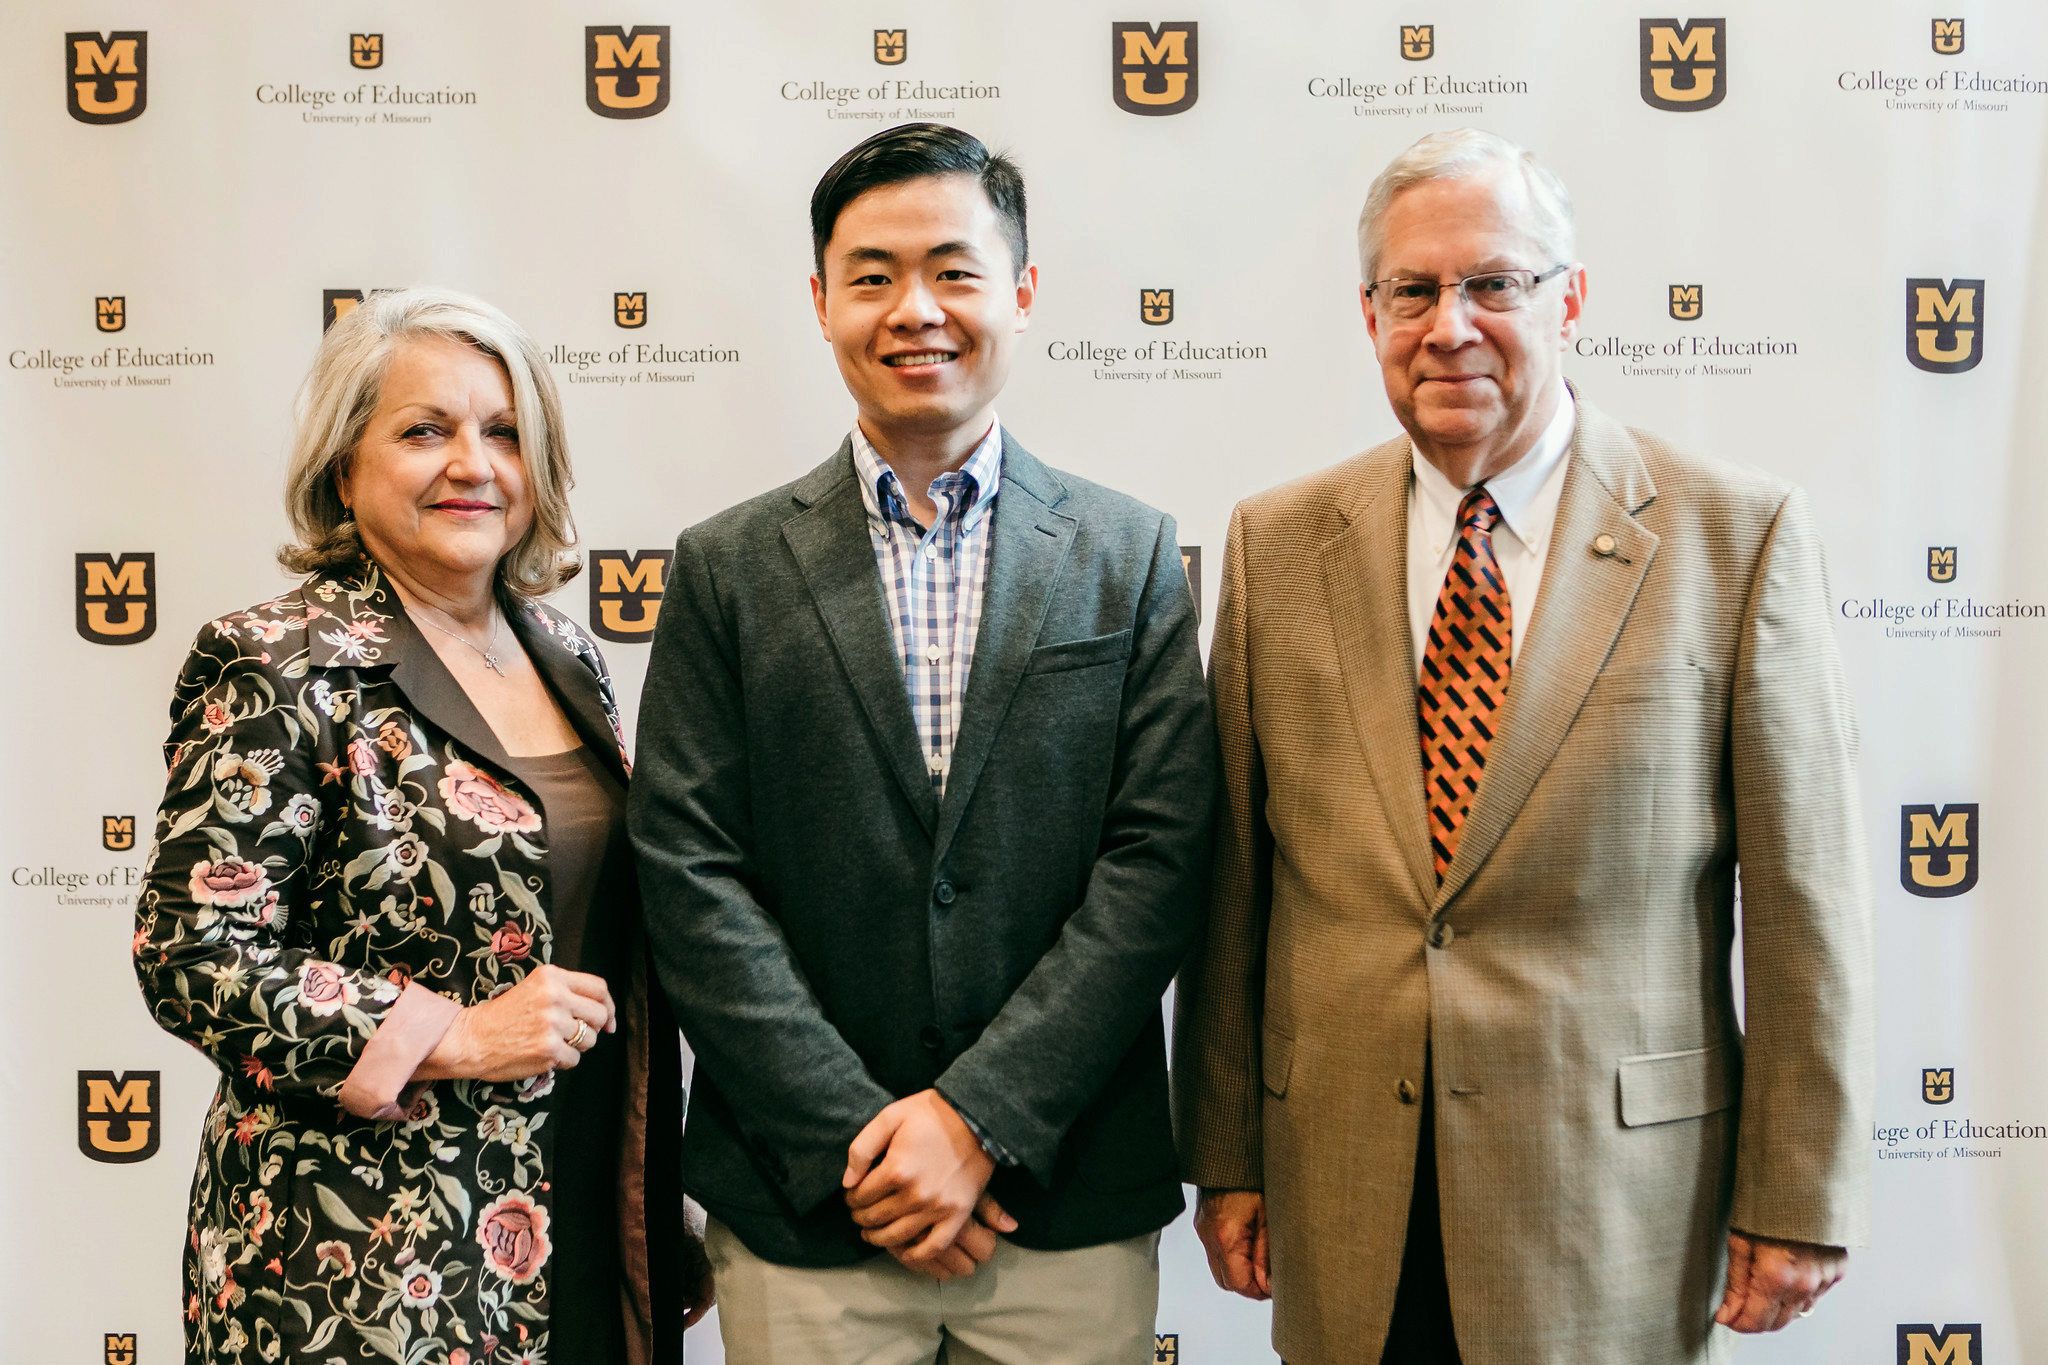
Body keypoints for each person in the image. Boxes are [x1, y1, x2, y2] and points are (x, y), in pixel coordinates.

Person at [1171, 129, 1874, 1365]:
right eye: (1413, 290)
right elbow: (1235, 885)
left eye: (1493, 284)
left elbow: (1806, 902)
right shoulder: (1272, 546)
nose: (1450, 325)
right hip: (1343, 1195)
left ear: (1571, 299)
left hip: (1609, 1207)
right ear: (1369, 311)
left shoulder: (1733, 536)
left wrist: (1799, 1190)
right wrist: (1224, 1154)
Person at [628, 123, 1216, 1364]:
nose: (917, 311)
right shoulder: (726, 568)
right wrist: (861, 1142)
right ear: (820, 302)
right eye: (873, 275)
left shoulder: (1128, 554)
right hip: (805, 1208)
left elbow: (1156, 864)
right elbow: (688, 872)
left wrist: (979, 1122)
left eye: (954, 270)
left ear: (1022, 291)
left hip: (1057, 1201)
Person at [133, 287, 708, 1365]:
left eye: (505, 434)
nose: (472, 464)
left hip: (576, 1205)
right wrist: (454, 1034)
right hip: (361, 1252)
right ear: (345, 468)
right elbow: (194, 953)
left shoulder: (567, 655)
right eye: (423, 431)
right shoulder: (271, 660)